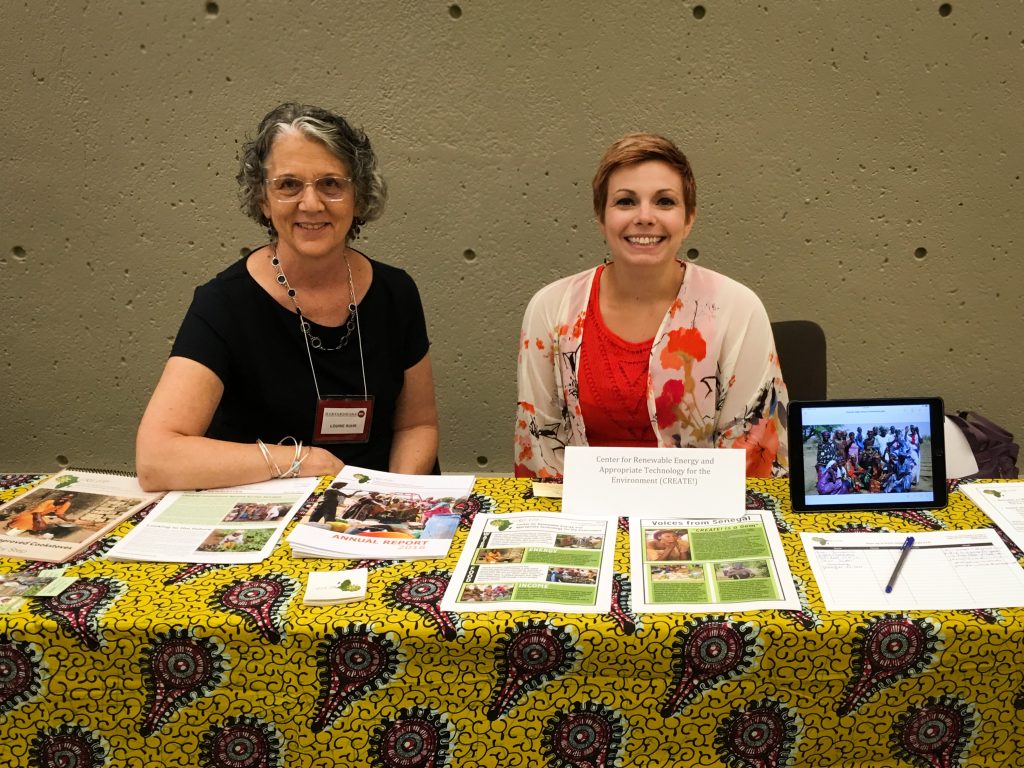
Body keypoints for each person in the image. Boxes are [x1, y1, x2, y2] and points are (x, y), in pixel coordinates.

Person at [136, 104, 438, 491]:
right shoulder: (225, 304)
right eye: (288, 185)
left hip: (378, 513)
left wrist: (392, 499)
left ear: (358, 196)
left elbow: (417, 425)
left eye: (331, 183)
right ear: (262, 199)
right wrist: (303, 460)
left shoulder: (396, 293)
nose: (311, 204)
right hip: (268, 518)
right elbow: (156, 459)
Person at [514, 133, 788, 479]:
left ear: (689, 219)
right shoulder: (552, 309)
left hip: (701, 516)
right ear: (601, 218)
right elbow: (540, 452)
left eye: (664, 202)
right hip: (588, 518)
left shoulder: (737, 308)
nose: (645, 217)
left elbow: (752, 457)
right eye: (626, 202)